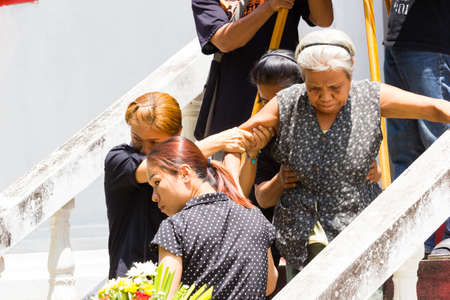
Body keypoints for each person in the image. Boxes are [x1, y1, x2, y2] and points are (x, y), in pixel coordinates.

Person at [227, 29, 450, 281]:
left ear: (351, 72)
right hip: (301, 237)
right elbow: (237, 138)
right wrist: (226, 175)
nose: (325, 97)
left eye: (335, 87)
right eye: (314, 88)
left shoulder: (370, 96)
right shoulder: (288, 101)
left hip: (357, 231)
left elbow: (434, 107)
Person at [238, 49, 382, 274]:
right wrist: (278, 179)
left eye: (280, 100)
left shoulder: (339, 115)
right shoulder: (263, 131)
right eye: (265, 101)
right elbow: (259, 198)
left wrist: (374, 171)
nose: (274, 109)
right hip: (287, 237)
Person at [104, 92, 254, 279]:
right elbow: (154, 165)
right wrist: (218, 141)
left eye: (154, 142)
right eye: (137, 138)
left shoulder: (194, 170)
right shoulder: (119, 160)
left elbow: (236, 197)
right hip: (131, 283)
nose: (145, 149)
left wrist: (242, 152)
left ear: (177, 133)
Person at [148, 137, 278, 300]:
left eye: (157, 182)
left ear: (185, 173)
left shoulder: (176, 227)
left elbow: (164, 296)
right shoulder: (253, 215)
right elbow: (269, 284)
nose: (154, 196)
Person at [191, 0, 333, 137]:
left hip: (283, 99)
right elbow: (225, 41)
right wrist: (269, 7)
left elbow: (323, 19)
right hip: (234, 104)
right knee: (234, 156)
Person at [384, 0, 450, 256]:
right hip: (400, 40)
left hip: (432, 42)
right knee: (404, 154)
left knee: (441, 144)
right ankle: (414, 238)